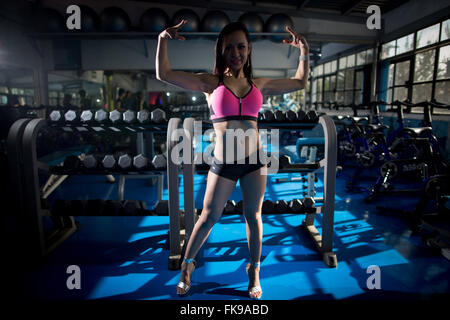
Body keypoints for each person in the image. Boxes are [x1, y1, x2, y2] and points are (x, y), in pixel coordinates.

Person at [156, 20, 309, 299]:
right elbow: (164, 73)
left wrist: (304, 52)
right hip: (225, 161)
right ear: (221, 51)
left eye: (241, 46)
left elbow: (300, 81)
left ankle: (254, 271)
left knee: (254, 216)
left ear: (249, 49)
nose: (236, 53)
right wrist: (162, 39)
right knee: (208, 216)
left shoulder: (258, 84)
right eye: (229, 48)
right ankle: (186, 268)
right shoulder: (210, 82)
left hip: (255, 160)